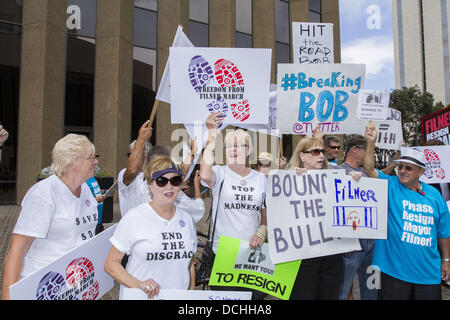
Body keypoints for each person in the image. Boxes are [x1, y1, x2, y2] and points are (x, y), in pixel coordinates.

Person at [2, 134, 99, 300]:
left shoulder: (86, 190)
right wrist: (7, 296)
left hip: (75, 287)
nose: (96, 161)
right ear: (71, 163)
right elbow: (17, 249)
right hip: (44, 288)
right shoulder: (44, 194)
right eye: (90, 157)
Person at [363, 123, 450, 300]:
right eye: (400, 166)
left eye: (408, 168)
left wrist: (446, 260)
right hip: (394, 273)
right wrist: (371, 142)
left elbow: (443, 232)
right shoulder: (390, 185)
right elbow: (369, 170)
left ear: (421, 172)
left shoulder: (434, 195)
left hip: (428, 274)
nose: (402, 171)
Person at [105, 156, 197, 299]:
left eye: (175, 180)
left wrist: (190, 292)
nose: (169, 186)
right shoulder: (134, 217)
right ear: (150, 184)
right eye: (161, 181)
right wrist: (139, 284)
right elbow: (111, 264)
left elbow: (189, 261)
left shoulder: (186, 219)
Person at [200, 112, 267, 254]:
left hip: (251, 250)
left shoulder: (260, 178)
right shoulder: (220, 173)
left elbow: (265, 214)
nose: (233, 149)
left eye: (239, 145)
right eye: (229, 146)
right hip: (223, 250)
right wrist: (212, 135)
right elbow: (205, 175)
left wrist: (261, 232)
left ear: (248, 150)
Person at [287, 135, 343, 300]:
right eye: (315, 152)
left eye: (322, 152)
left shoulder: (335, 177)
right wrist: (294, 180)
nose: (320, 156)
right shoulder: (287, 180)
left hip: (332, 252)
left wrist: (355, 181)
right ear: (302, 155)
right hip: (303, 254)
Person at [117, 120, 204, 223]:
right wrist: (141, 139)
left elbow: (178, 172)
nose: (131, 159)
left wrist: (193, 152)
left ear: (147, 155)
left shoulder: (163, 181)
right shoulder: (125, 175)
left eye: (134, 154)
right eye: (130, 155)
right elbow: (132, 171)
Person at [336, 134, 377, 300]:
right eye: (368, 151)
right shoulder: (336, 171)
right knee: (342, 289)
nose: (371, 156)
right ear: (355, 150)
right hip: (350, 243)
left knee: (372, 289)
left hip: (372, 243)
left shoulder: (370, 173)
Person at [86, 168, 106, 235]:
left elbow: (94, 190)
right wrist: (96, 200)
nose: (95, 162)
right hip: (92, 223)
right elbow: (82, 203)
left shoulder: (92, 177)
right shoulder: (83, 181)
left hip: (99, 218)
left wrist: (104, 192)